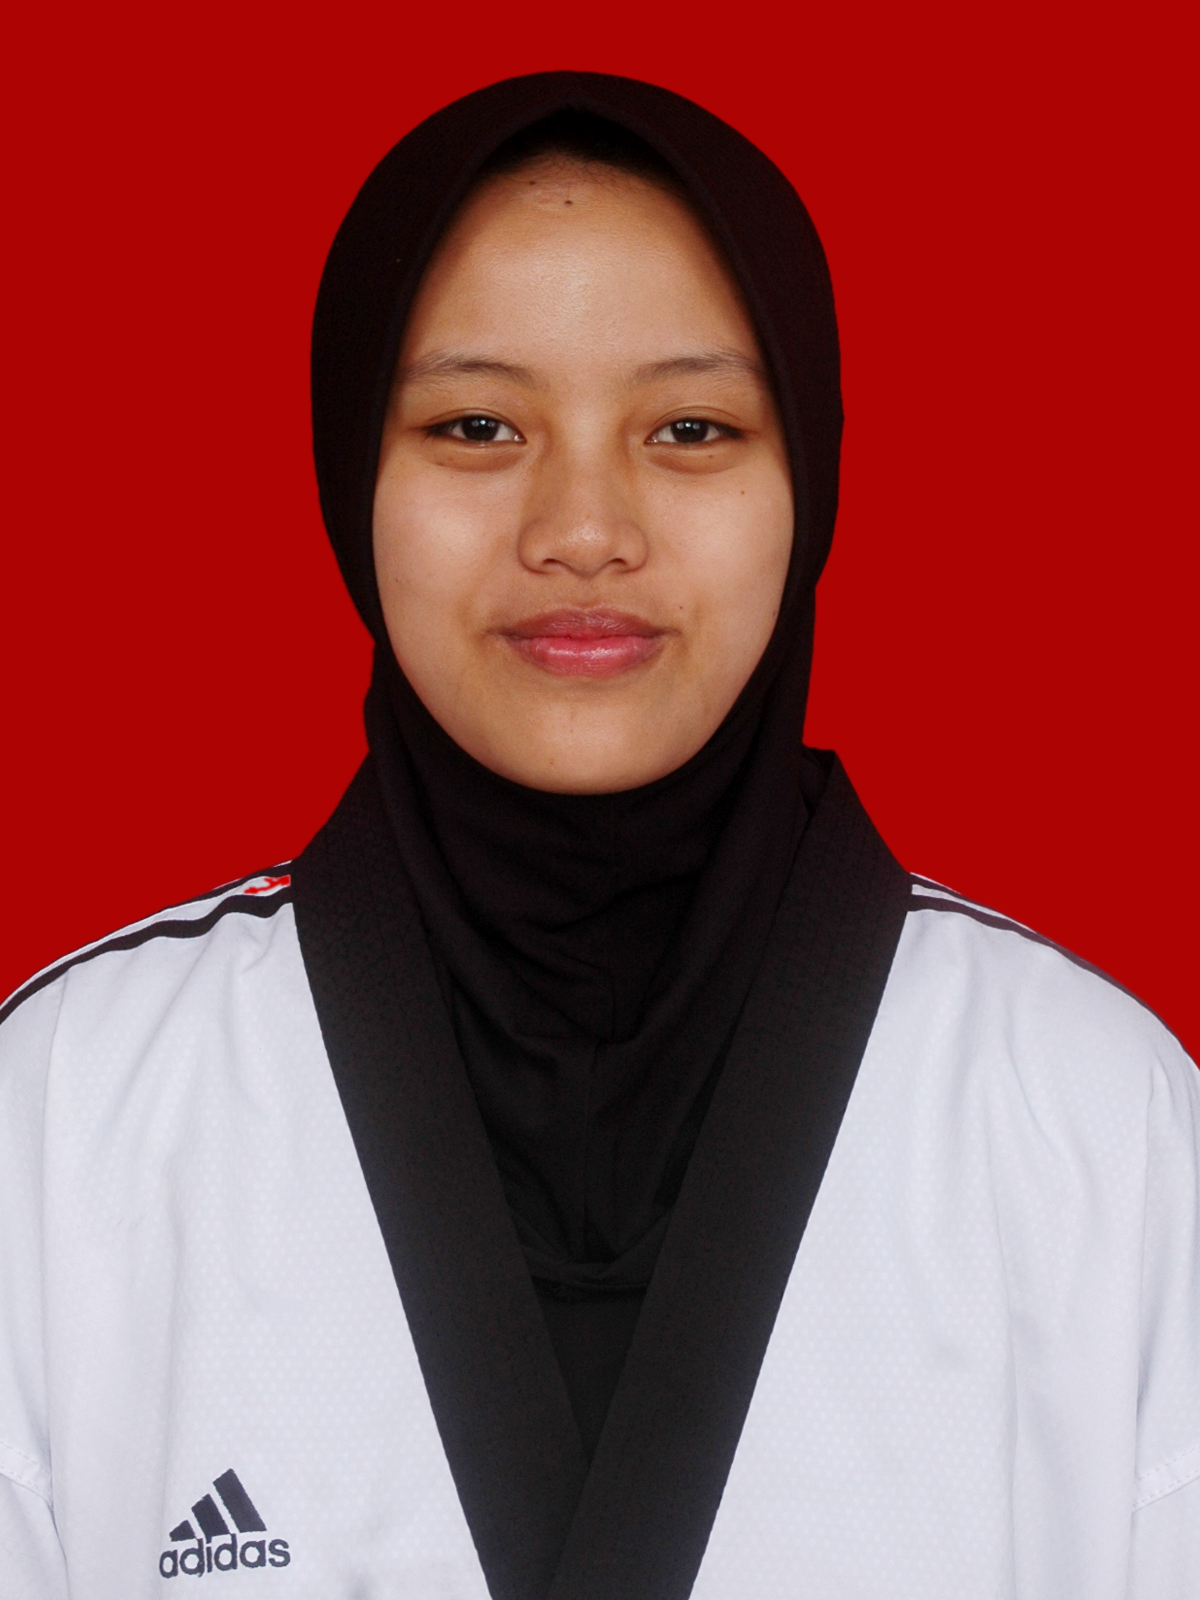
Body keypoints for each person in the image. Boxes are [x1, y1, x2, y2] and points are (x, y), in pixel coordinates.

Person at [0, 70, 1196, 1600]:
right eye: (476, 424)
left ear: (808, 479)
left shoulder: (1093, 1122)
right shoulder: (72, 1117)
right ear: (351, 473)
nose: (581, 528)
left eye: (690, 428)